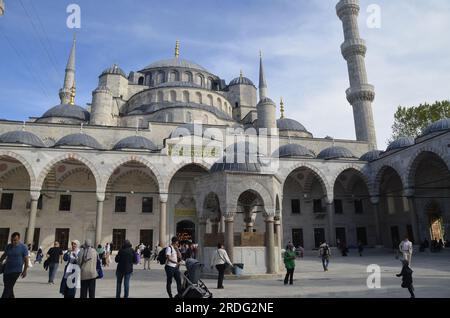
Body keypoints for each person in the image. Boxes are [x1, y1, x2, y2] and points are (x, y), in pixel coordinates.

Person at [0, 232, 29, 298]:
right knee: (8, 287)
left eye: (15, 240)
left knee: (7, 289)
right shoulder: (8, 246)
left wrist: (25, 271)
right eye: (12, 240)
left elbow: (26, 260)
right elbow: (4, 255)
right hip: (7, 270)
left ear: (19, 239)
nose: (13, 241)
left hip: (16, 271)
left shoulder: (23, 247)